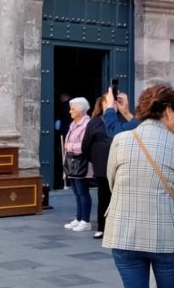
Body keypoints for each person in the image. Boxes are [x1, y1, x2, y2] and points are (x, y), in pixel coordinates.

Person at [104, 85, 174, 288]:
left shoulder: (120, 139)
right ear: (168, 110)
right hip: (167, 235)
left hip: (123, 233)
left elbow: (113, 183)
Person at [82, 97, 113, 240]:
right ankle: (102, 227)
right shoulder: (94, 122)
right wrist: (95, 160)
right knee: (103, 197)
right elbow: (86, 145)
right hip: (102, 167)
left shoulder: (122, 121)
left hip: (119, 167)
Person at [63, 96, 93, 232]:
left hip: (82, 163)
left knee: (83, 191)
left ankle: (85, 220)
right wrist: (69, 146)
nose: (70, 111)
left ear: (81, 110)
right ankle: (78, 217)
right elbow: (67, 141)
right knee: (76, 191)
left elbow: (83, 145)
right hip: (72, 162)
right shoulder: (73, 123)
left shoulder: (87, 124)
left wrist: (69, 146)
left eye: (72, 109)